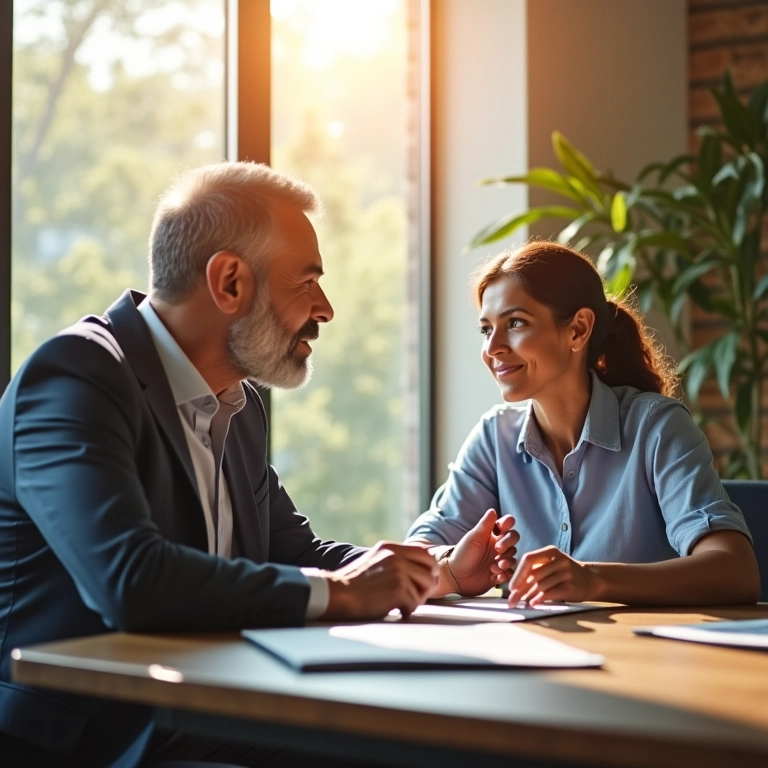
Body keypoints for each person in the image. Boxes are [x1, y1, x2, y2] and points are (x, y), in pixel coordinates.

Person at [0, 161, 477, 768]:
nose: (326, 309)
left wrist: (430, 572)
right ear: (229, 282)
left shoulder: (240, 405)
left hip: (204, 712)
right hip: (93, 743)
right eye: (307, 282)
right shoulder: (77, 375)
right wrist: (346, 592)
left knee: (438, 742)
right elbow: (131, 581)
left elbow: (293, 552)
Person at [408, 241, 760, 608]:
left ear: (578, 329)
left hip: (644, 659)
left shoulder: (656, 427)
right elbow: (414, 554)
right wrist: (449, 567)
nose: (493, 347)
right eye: (486, 329)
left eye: (515, 323)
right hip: (530, 660)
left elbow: (735, 571)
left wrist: (591, 578)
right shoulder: (493, 438)